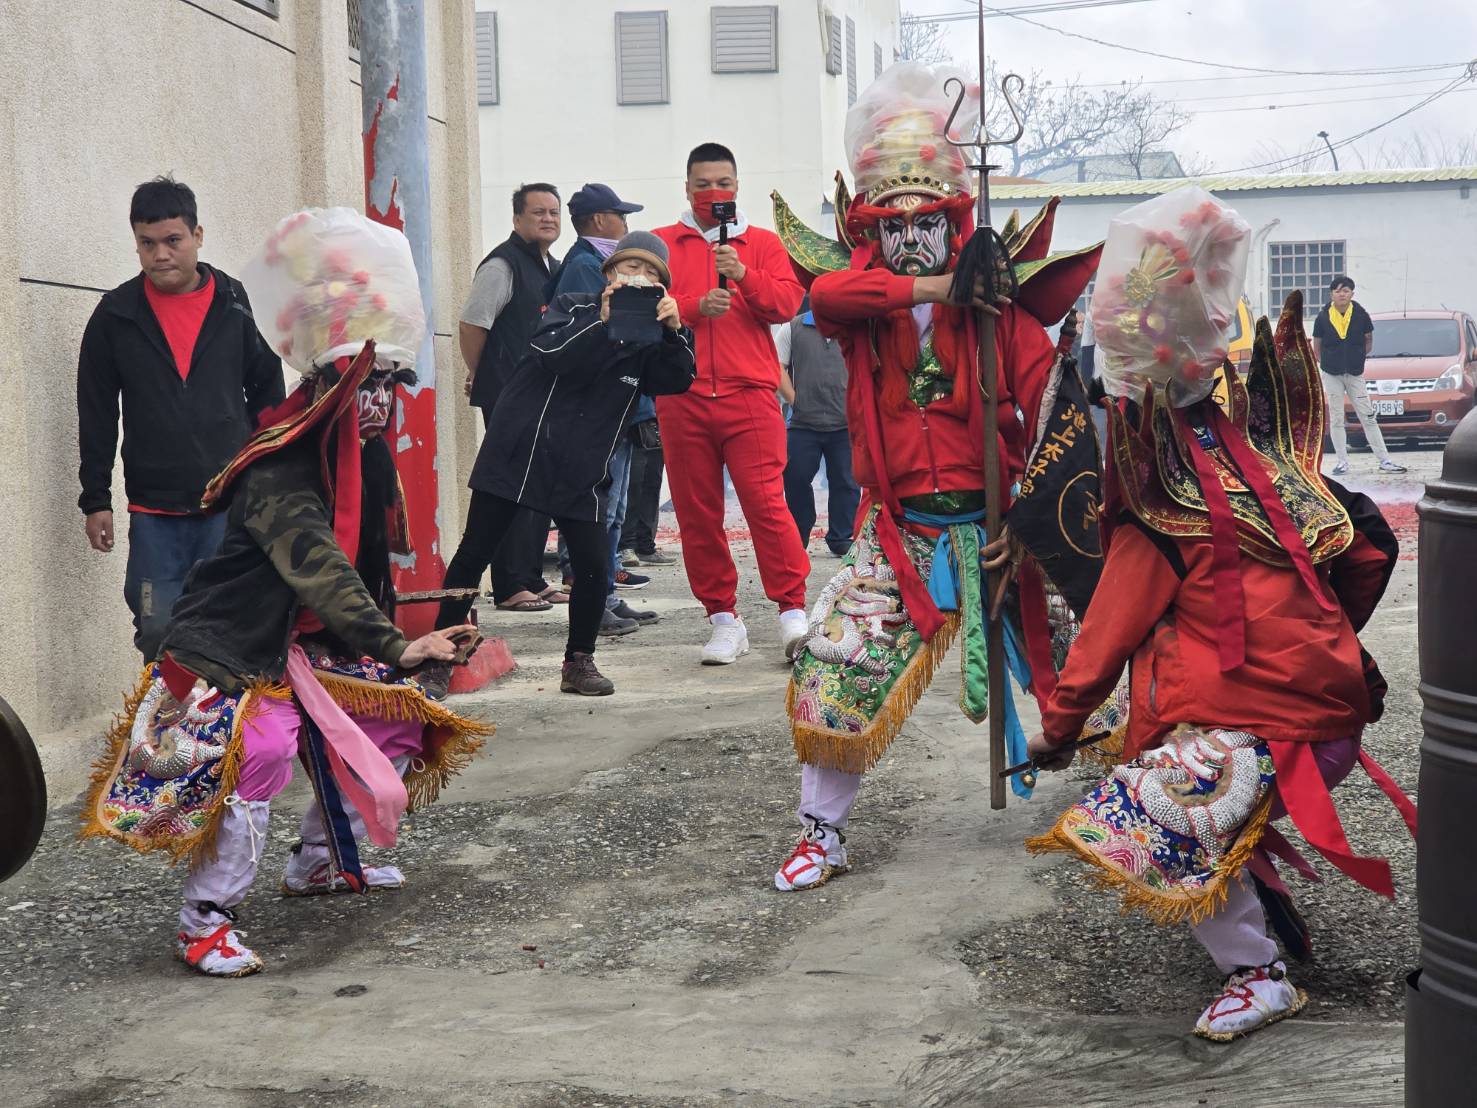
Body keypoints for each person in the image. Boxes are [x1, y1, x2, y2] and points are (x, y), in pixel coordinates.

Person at [1024, 194, 1414, 1041]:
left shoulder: (1158, 507)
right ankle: (1260, 909)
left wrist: (1054, 733)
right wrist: (1326, 635)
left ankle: (1256, 973)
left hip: (1267, 730)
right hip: (1329, 713)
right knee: (1185, 777)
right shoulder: (1269, 464)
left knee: (1132, 811)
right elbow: (1368, 547)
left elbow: (1100, 642)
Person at [82, 209, 489, 977]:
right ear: (333, 383)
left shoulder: (368, 461)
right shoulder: (280, 460)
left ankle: (318, 859)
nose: (382, 400)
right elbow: (315, 565)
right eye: (370, 384)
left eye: (392, 383)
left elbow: (363, 575)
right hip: (235, 648)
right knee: (261, 748)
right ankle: (205, 918)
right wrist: (399, 644)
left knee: (400, 720)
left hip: (313, 644)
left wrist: (407, 647)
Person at [766, 64, 1100, 892]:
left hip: (1000, 533)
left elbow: (1056, 422)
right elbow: (829, 295)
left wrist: (1026, 534)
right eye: (892, 222)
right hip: (901, 534)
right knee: (834, 669)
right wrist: (937, 284)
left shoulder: (1002, 316)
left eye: (929, 221)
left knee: (1104, 661)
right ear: (868, 229)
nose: (910, 232)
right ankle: (821, 831)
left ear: (956, 221)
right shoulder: (862, 311)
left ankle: (1133, 818)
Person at [425, 232, 696, 698]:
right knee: (475, 552)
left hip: (583, 468)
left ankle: (579, 661)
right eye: (631, 267)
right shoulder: (573, 305)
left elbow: (676, 380)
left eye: (652, 274)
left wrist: (675, 333)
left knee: (593, 566)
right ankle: (440, 655)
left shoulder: (652, 340)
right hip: (520, 452)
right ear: (609, 274)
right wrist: (604, 319)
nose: (639, 278)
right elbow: (554, 355)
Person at [77, 175, 285, 661]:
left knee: (229, 626)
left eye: (173, 240)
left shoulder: (237, 304)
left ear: (197, 236)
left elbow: (268, 395)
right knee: (158, 630)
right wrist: (96, 498)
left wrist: (268, 477)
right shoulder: (115, 317)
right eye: (146, 244)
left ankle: (220, 733)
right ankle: (165, 732)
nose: (161, 255)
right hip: (155, 511)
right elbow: (97, 411)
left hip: (228, 502)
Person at [654, 143, 811, 665]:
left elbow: (787, 304)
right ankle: (723, 618)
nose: (712, 193)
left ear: (737, 186)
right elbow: (641, 313)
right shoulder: (660, 245)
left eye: (722, 183)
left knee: (768, 505)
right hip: (683, 397)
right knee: (698, 514)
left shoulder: (761, 244)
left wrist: (742, 273)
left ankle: (792, 611)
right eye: (702, 184)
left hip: (750, 395)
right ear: (687, 187)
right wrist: (697, 307)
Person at [547, 183, 657, 633]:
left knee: (613, 511)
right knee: (598, 510)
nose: (626, 226)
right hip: (599, 412)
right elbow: (601, 338)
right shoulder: (585, 268)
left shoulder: (590, 264)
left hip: (623, 409)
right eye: (620, 216)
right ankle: (592, 600)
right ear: (598, 221)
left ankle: (606, 591)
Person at [459, 182, 567, 613]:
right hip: (508, 395)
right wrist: (480, 372)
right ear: (517, 219)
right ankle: (507, 584)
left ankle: (532, 578)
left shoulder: (551, 266)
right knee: (509, 489)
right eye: (538, 212)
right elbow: (472, 325)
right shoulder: (502, 265)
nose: (547, 219)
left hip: (543, 396)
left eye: (554, 212)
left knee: (539, 487)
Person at [776, 297, 860, 557]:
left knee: (846, 482)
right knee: (796, 477)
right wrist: (795, 401)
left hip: (844, 423)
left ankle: (840, 536)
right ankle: (799, 531)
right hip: (802, 423)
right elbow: (777, 367)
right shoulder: (793, 327)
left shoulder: (853, 328)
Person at [1312, 275, 1405, 475]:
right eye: (1337, 291)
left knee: (1368, 416)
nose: (1342, 294)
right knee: (1336, 417)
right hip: (1331, 374)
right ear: (1331, 294)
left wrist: (1357, 358)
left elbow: (1368, 340)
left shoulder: (1361, 314)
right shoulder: (1322, 317)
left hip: (1355, 374)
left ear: (1352, 293)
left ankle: (1385, 460)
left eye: (1346, 290)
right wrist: (1325, 363)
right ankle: (1342, 462)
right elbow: (1316, 345)